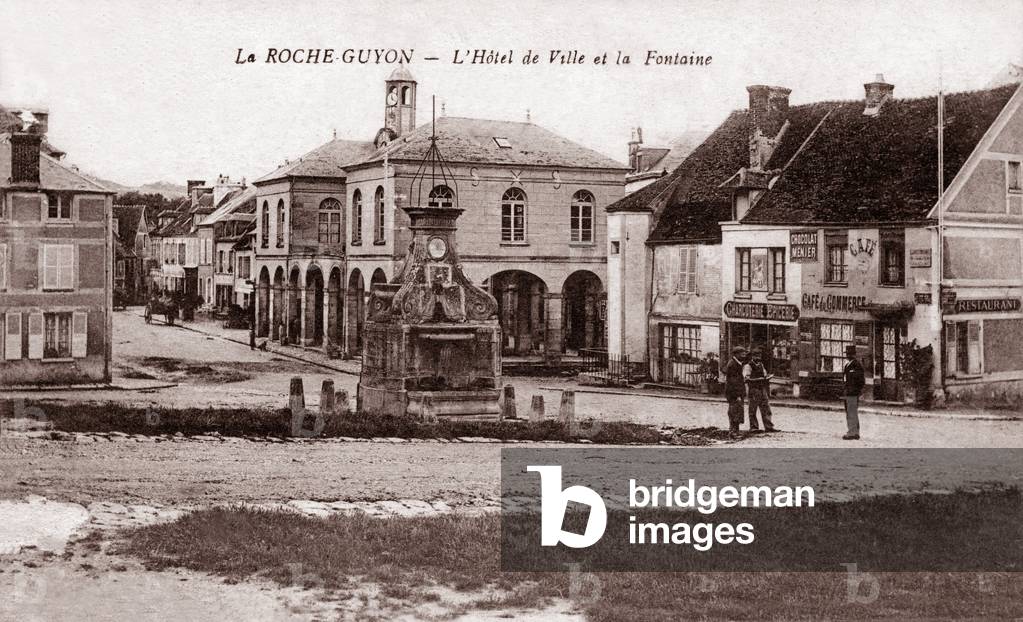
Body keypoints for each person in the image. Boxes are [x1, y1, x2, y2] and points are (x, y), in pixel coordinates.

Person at [743, 347, 776, 432]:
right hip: (754, 390)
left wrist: (767, 377)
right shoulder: (748, 366)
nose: (758, 358)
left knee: (766, 408)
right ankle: (754, 427)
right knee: (753, 409)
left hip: (762, 389)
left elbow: (764, 375)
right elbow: (747, 379)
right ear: (752, 357)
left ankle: (768, 426)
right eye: (756, 356)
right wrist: (759, 379)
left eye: (759, 356)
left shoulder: (761, 365)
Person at [724, 346, 748, 439]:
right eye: (742, 353)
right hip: (734, 393)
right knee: (734, 412)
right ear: (736, 354)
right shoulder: (733, 365)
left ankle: (736, 431)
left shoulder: (737, 363)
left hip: (736, 392)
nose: (744, 355)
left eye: (744, 353)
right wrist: (737, 394)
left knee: (737, 411)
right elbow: (733, 382)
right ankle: (733, 432)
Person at [843, 345, 864, 440]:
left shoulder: (857, 365)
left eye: (850, 354)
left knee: (852, 412)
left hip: (853, 392)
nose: (848, 355)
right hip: (847, 392)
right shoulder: (848, 365)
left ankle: (852, 432)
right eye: (847, 354)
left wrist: (857, 391)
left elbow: (861, 380)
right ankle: (855, 432)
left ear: (854, 355)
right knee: (850, 412)